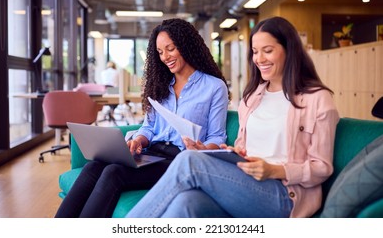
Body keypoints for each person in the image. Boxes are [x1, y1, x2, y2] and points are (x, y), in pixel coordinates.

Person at [126, 16, 340, 218]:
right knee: (187, 202)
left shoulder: (317, 99)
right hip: (245, 181)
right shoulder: (253, 97)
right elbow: (241, 149)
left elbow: (321, 167)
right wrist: (223, 152)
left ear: (289, 51)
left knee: (188, 161)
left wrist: (275, 169)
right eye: (255, 52)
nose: (259, 59)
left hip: (284, 194)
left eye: (268, 50)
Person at [55, 18, 230, 218]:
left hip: (179, 161)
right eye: (160, 52)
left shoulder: (214, 87)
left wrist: (202, 149)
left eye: (170, 49)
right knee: (94, 166)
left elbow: (217, 137)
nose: (165, 57)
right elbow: (148, 127)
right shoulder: (160, 85)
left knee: (114, 173)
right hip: (151, 152)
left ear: (186, 45)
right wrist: (138, 139)